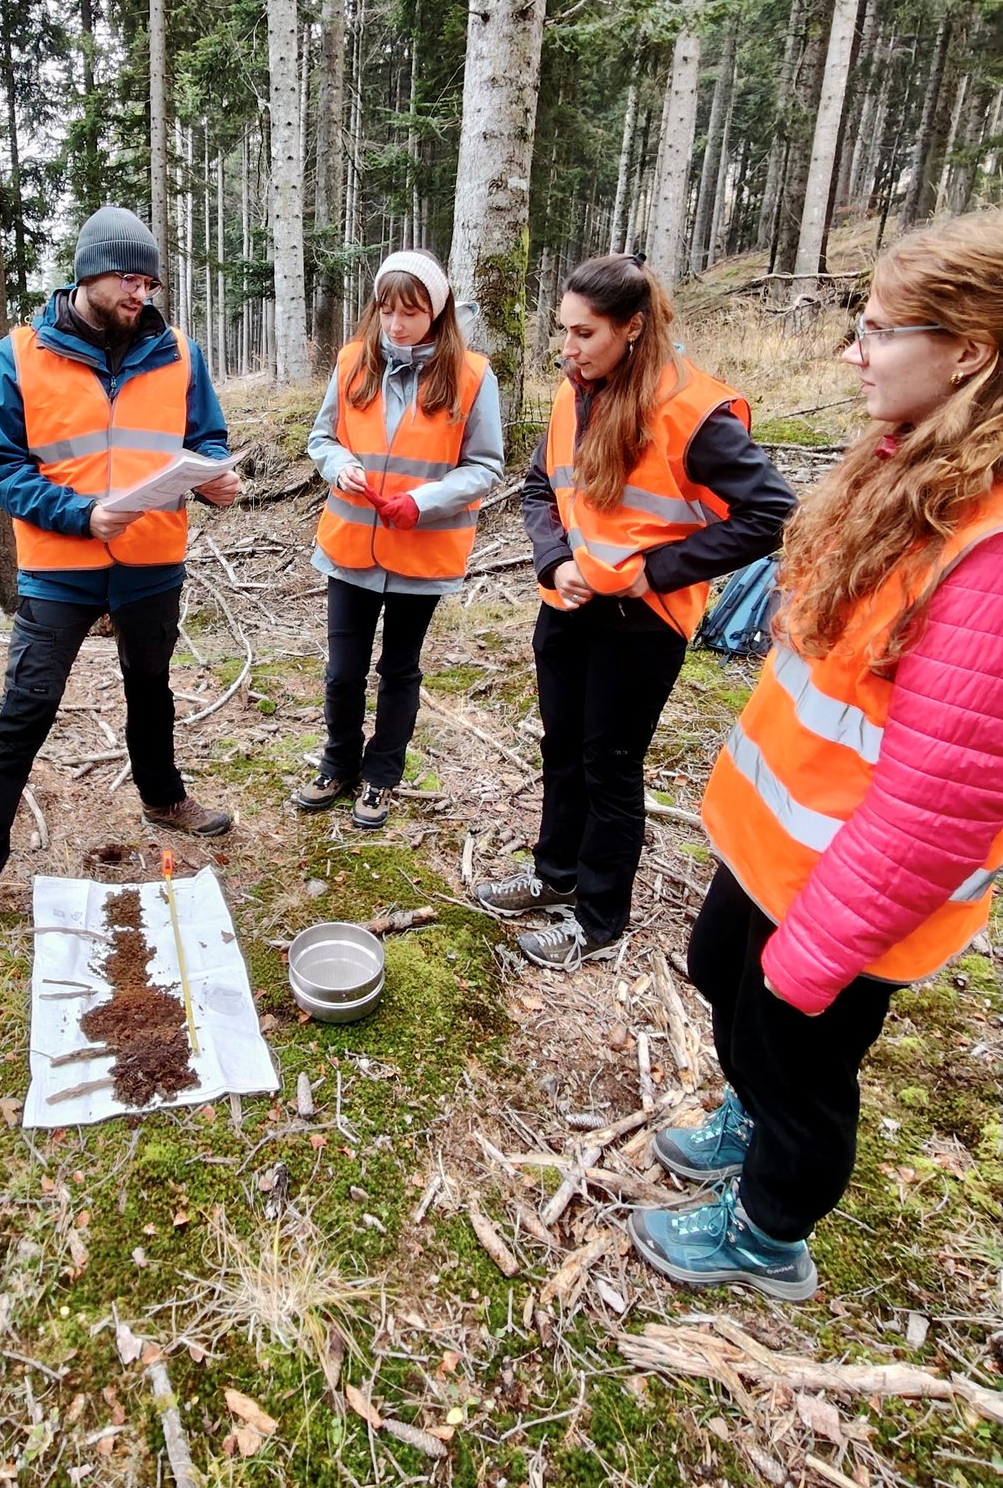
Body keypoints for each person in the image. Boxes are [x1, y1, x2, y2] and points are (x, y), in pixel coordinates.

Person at [630, 221, 1003, 1301]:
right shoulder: (907, 474)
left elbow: (937, 810)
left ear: (970, 352)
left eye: (879, 331)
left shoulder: (984, 555)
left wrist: (819, 952)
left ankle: (768, 1232)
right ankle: (752, 1108)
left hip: (849, 891)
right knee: (721, 977)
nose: (853, 352)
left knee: (802, 1069)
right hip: (779, 849)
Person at [0, 206, 240, 956]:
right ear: (89, 275)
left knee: (151, 683)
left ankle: (162, 797)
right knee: (24, 711)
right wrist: (80, 515)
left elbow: (206, 438)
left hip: (152, 560)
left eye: (150, 282)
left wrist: (214, 480)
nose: (142, 292)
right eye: (129, 278)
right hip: (58, 568)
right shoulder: (19, 355)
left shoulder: (179, 354)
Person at [476, 254, 795, 970]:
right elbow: (540, 487)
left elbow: (772, 513)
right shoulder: (573, 390)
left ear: (633, 327)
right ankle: (554, 873)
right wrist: (554, 561)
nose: (568, 348)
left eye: (584, 333)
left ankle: (599, 917)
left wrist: (653, 573)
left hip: (643, 626)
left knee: (610, 765)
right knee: (562, 747)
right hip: (567, 607)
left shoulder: (693, 410)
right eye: (564, 330)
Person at [295, 251, 503, 830]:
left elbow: (486, 466)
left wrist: (423, 501)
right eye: (387, 310)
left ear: (436, 312)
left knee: (399, 670)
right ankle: (337, 764)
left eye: (410, 312)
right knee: (343, 670)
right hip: (350, 547)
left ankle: (381, 776)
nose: (396, 324)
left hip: (422, 552)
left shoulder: (472, 376)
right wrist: (338, 465)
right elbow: (322, 437)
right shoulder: (352, 363)